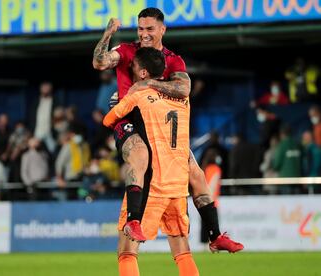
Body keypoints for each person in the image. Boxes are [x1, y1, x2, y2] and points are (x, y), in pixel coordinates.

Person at [93, 7, 242, 252]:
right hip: (128, 119)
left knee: (195, 173)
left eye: (150, 29)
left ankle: (215, 236)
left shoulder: (173, 60)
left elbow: (184, 89)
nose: (144, 34)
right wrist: (108, 33)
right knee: (140, 155)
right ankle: (133, 220)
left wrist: (145, 85)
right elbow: (99, 62)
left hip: (159, 125)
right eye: (141, 28)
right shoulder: (127, 51)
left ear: (162, 29)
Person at [103, 47, 199, 276]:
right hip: (176, 184)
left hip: (150, 182)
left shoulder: (139, 95)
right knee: (182, 249)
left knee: (127, 250)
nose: (130, 70)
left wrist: (115, 106)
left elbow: (109, 120)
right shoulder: (182, 99)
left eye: (133, 67)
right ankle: (215, 232)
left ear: (143, 72)